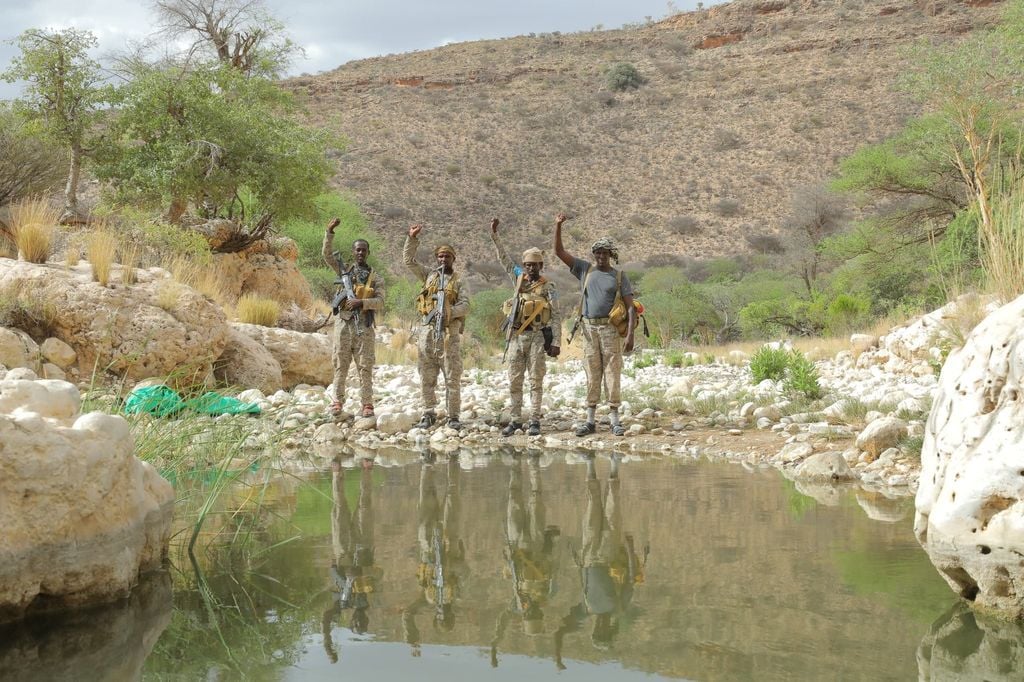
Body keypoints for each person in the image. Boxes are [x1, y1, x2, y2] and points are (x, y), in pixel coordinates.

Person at [553, 453, 647, 669]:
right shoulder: (620, 608)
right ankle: (614, 465)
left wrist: (558, 656)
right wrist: (630, 549)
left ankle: (589, 464)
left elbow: (562, 629)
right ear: (609, 630)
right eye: (604, 633)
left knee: (592, 508)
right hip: (609, 554)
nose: (601, 629)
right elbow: (630, 578)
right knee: (613, 508)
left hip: (588, 555)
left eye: (599, 633)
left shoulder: (586, 610)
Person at [553, 214, 636, 437]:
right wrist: (558, 226)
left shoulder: (619, 277)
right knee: (592, 372)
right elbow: (559, 252)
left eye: (604, 253)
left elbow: (630, 308)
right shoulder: (585, 270)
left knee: (612, 371)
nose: (601, 256)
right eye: (598, 252)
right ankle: (590, 421)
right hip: (588, 330)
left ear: (611, 255)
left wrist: (630, 335)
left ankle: (614, 420)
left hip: (610, 330)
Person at [490, 218, 561, 436]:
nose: (531, 268)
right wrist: (495, 235)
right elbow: (504, 259)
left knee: (536, 381)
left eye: (535, 264)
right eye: (528, 264)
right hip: (516, 337)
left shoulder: (549, 287)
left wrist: (556, 342)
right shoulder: (518, 280)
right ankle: (515, 420)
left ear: (541, 266)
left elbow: (556, 315)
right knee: (515, 380)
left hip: (538, 337)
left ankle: (535, 420)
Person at [490, 454, 560, 667]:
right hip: (536, 545)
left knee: (514, 499)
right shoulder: (548, 594)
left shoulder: (516, 602)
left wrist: (494, 647)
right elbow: (552, 565)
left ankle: (515, 462)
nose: (530, 612)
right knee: (535, 498)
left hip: (515, 546)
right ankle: (534, 463)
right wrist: (549, 542)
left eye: (529, 616)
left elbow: (501, 621)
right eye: (533, 615)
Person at [403, 224, 470, 430]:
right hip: (427, 332)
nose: (443, 259)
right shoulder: (428, 275)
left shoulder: (459, 281)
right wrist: (411, 239)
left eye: (447, 256)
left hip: (449, 334)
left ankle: (453, 416)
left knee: (452, 375)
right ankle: (428, 412)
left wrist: (448, 311)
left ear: (453, 259)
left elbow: (466, 305)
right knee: (426, 374)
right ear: (436, 258)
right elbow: (409, 261)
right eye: (440, 256)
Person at [323, 218, 385, 419]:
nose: (360, 253)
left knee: (365, 366)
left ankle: (367, 404)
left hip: (364, 326)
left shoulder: (376, 277)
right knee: (340, 364)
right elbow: (327, 255)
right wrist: (329, 232)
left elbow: (381, 301)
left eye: (363, 250)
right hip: (343, 323)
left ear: (368, 253)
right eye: (357, 250)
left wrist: (362, 302)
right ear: (353, 252)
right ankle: (337, 401)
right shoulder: (344, 271)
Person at [321, 455, 381, 663]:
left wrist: (328, 645)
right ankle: (366, 469)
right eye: (361, 623)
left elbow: (325, 620)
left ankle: (337, 472)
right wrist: (362, 573)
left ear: (351, 622)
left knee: (339, 508)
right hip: (364, 549)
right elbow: (379, 573)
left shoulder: (341, 605)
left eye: (355, 624)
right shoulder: (371, 597)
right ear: (366, 620)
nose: (358, 620)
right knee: (365, 505)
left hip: (343, 555)